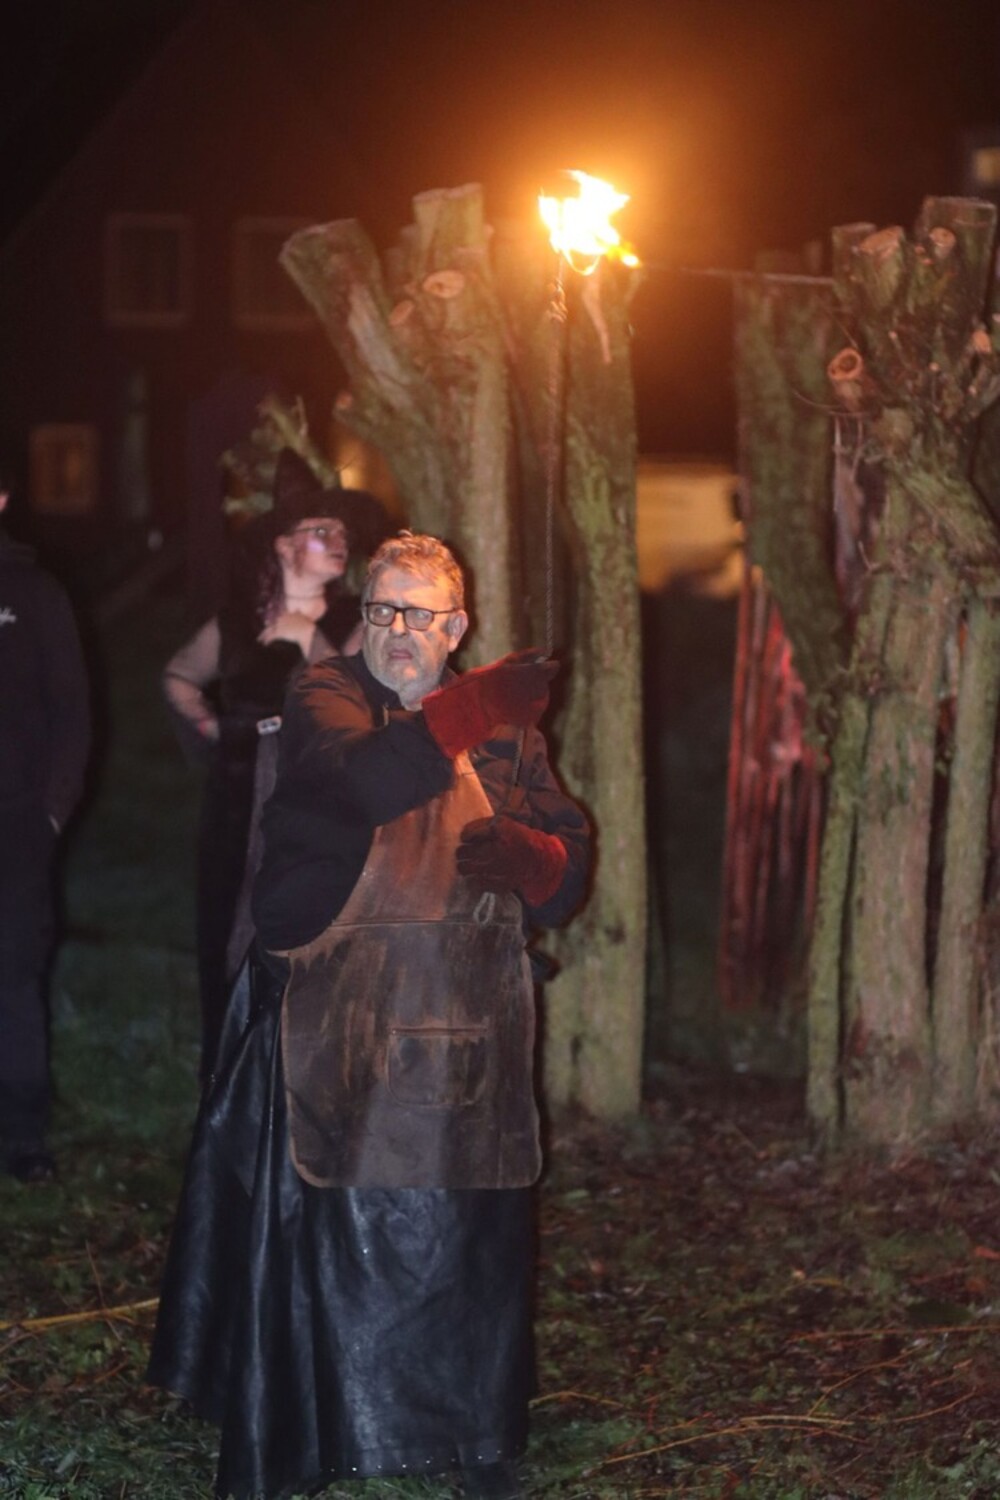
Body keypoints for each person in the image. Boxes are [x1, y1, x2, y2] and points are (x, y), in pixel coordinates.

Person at [148, 531, 591, 1500]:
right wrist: (478, 703)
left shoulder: (508, 739)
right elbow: (366, 781)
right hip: (332, 1024)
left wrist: (531, 857)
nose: (396, 631)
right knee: (316, 1248)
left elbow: (568, 877)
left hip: (463, 1040)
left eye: (418, 616)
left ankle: (475, 1440)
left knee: (468, 1252)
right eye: (381, 610)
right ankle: (296, 1437)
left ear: (456, 627)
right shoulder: (327, 695)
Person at [162, 448, 386, 1082]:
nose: (338, 542)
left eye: (342, 533)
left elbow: (354, 700)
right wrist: (215, 730)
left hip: (312, 799)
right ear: (284, 545)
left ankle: (302, 1085)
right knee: (228, 926)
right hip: (236, 797)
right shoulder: (236, 623)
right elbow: (178, 677)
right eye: (321, 531)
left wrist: (306, 637)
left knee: (304, 930)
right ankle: (230, 1079)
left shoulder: (351, 621)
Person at [0, 475, 90, 1182]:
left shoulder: (34, 593)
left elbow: (72, 710)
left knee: (13, 972)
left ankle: (23, 1133)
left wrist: (52, 809)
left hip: (16, 820)